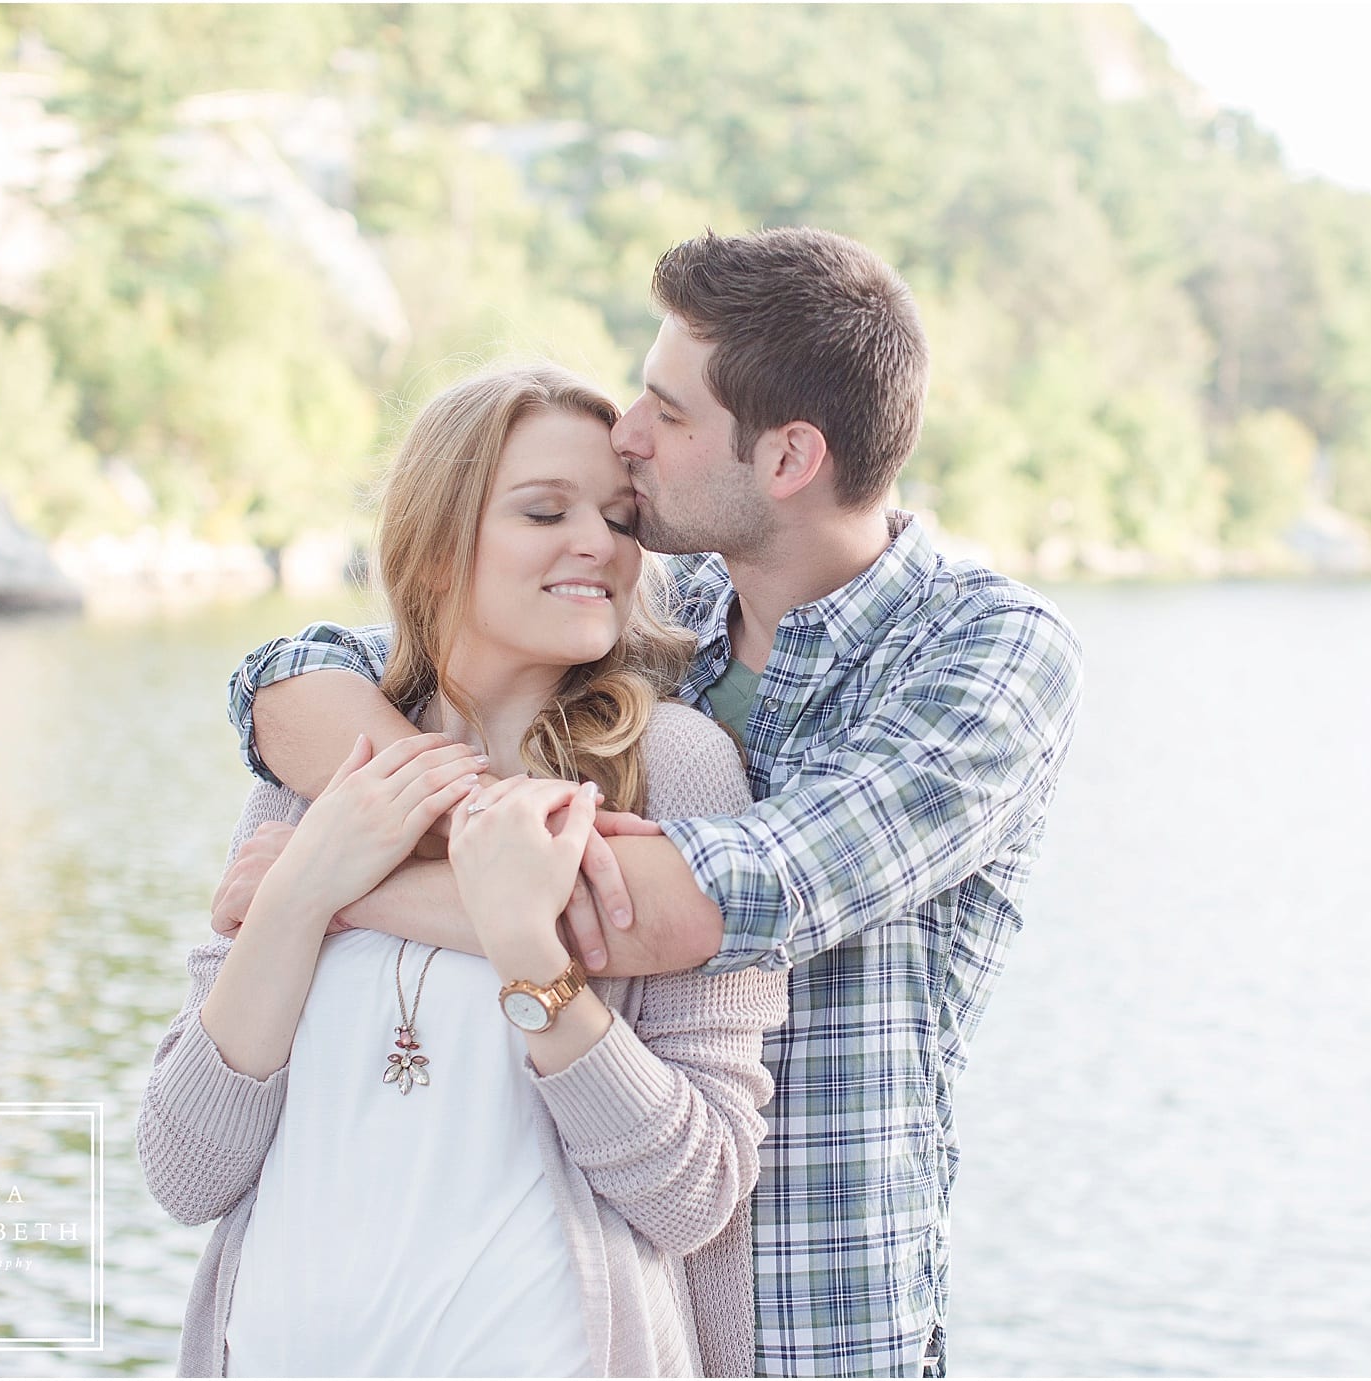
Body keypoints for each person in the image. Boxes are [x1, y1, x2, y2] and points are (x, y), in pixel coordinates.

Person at [219, 227, 1085, 1376]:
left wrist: (322, 887)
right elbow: (296, 678)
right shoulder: (657, 623)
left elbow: (689, 906)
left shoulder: (984, 659)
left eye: (667, 413)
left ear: (786, 460)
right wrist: (433, 833)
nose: (630, 435)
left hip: (816, 1327)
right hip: (612, 1315)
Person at [138, 364, 787, 1377]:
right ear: (437, 549)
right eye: (544, 510)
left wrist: (528, 947)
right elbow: (186, 1168)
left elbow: (694, 1190)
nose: (599, 544)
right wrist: (307, 886)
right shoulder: (319, 776)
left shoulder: (677, 768)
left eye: (621, 518)